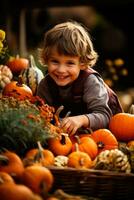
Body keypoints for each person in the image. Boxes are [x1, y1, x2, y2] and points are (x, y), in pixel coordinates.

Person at [37, 21, 122, 136]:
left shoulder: (90, 81)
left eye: (70, 63)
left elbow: (105, 116)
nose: (61, 70)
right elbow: (40, 116)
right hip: (66, 139)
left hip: (102, 136)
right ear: (47, 59)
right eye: (55, 61)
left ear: (82, 63)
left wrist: (81, 120)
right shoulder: (45, 85)